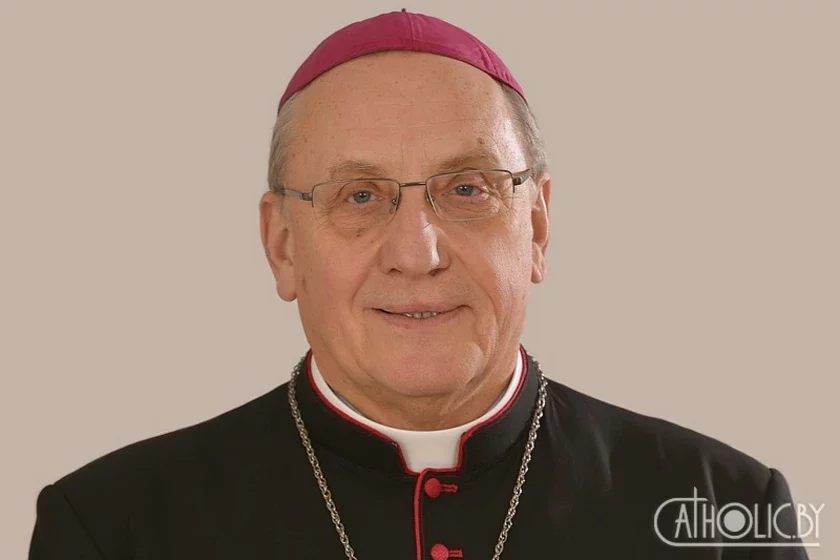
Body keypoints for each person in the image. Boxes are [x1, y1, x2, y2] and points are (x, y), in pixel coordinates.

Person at [28, 9, 809, 559]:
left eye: (468, 188)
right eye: (358, 196)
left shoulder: (726, 514)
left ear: (537, 228)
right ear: (282, 246)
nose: (418, 252)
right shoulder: (114, 529)